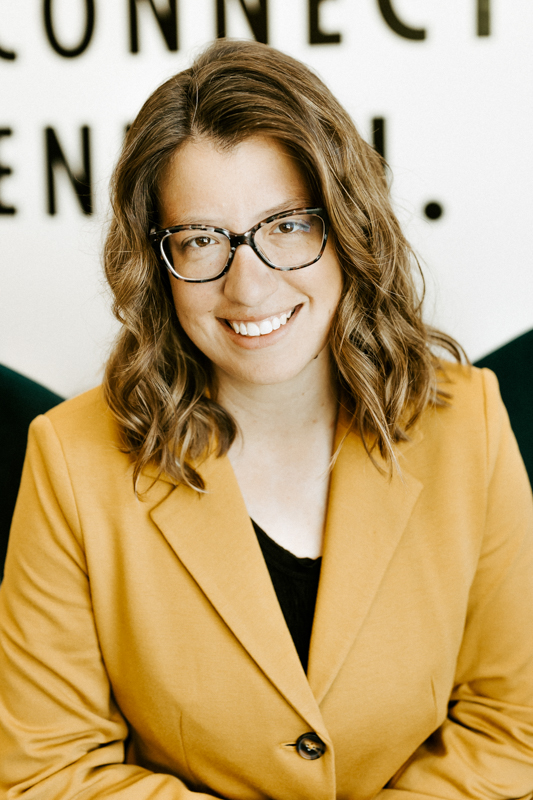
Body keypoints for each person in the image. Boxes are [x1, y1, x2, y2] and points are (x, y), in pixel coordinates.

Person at [1, 38, 532, 800]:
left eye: (286, 226)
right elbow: (49, 769)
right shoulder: (70, 458)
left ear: (347, 228)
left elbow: (511, 728)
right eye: (201, 239)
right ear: (157, 262)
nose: (248, 287)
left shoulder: (468, 423)